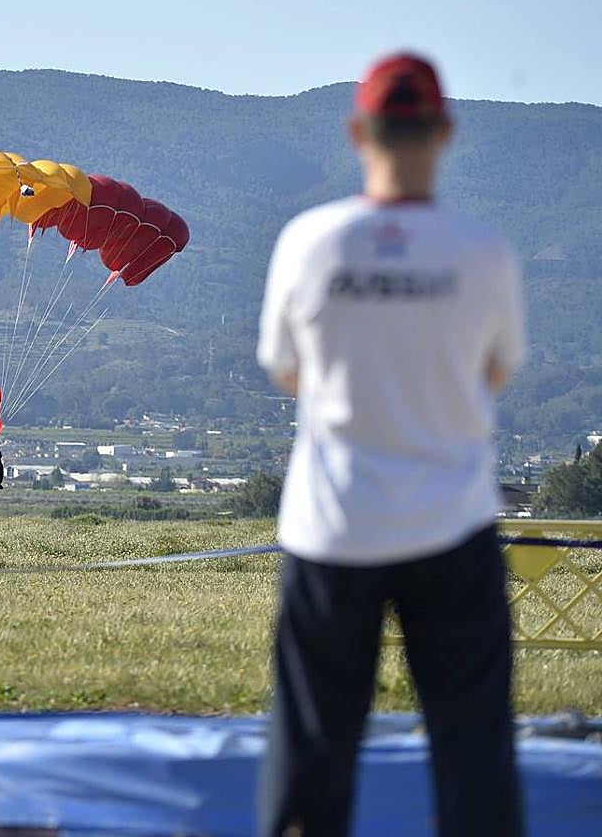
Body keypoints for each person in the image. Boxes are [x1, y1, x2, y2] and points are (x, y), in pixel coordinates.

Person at [255, 53, 526, 837]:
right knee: (474, 753)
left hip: (334, 525)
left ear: (357, 133)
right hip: (453, 523)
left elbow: (286, 370)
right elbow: (496, 371)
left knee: (312, 752)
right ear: (445, 133)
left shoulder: (310, 242)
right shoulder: (482, 251)